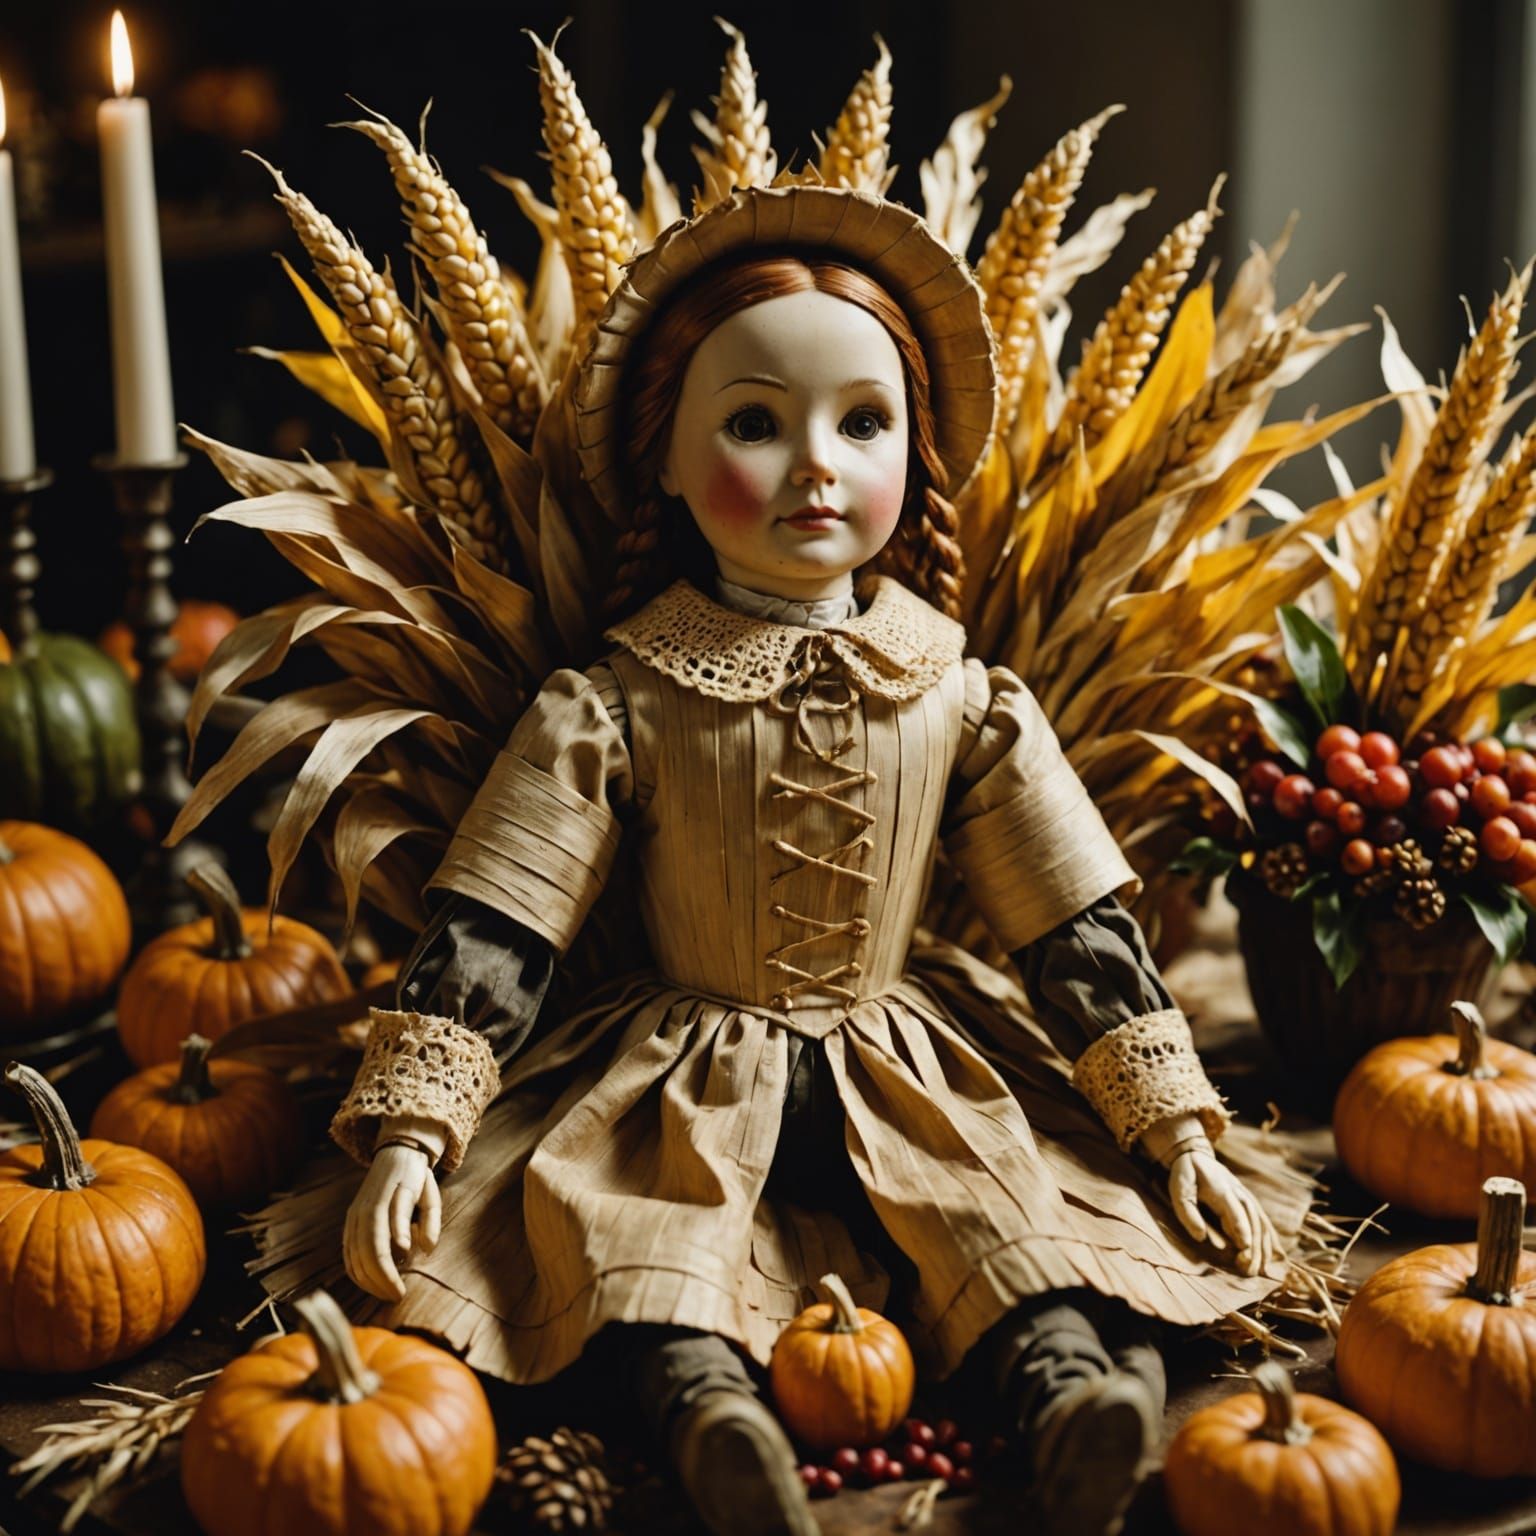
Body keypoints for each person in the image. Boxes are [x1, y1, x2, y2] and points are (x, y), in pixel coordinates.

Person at [318, 186, 1301, 1536]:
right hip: (680, 1074)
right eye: (754, 424)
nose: (816, 466)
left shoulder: (957, 694)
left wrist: (1173, 1127)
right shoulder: (615, 702)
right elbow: (501, 922)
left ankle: (1069, 1400)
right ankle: (708, 1420)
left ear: (915, 451)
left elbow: (1072, 921)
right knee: (629, 1237)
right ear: (667, 462)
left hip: (907, 1061)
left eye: (863, 423)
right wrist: (416, 1132)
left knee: (1003, 1211)